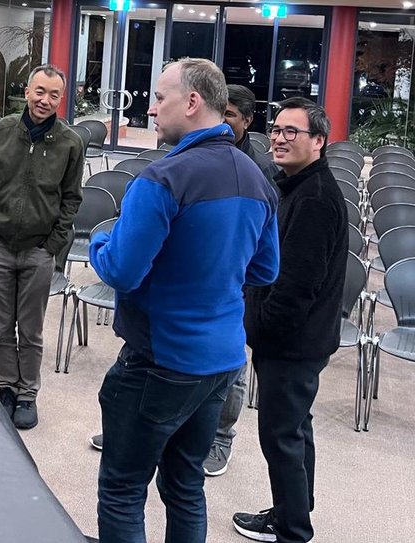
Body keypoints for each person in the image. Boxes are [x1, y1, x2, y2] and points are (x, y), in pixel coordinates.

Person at [90, 58, 280, 543]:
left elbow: (122, 272)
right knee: (185, 485)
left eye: (160, 98)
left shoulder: (162, 178)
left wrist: (99, 242)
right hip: (222, 361)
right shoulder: (257, 178)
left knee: (122, 489)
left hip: (160, 361)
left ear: (192, 102)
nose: (152, 110)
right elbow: (264, 270)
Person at [233, 98, 347, 543]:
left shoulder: (314, 198)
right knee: (296, 429)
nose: (279, 138)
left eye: (291, 132)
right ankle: (292, 510)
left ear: (318, 141)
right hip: (297, 340)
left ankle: (292, 530)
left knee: (280, 436)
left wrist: (260, 331)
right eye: (277, 130)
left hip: (293, 343)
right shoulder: (296, 185)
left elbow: (297, 286)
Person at [0, 64, 84, 430]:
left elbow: (71, 198)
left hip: (38, 249)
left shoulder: (70, 142)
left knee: (31, 329)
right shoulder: (1, 131)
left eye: (54, 95)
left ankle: (27, 394)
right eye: (40, 91)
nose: (45, 100)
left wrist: (53, 244)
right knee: (2, 325)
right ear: (27, 91)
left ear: (61, 99)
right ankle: (7, 388)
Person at [203, 83, 279, 476]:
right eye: (219, 112)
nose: (223, 120)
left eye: (230, 115)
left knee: (231, 367)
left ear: (247, 121)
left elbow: (266, 243)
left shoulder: (260, 170)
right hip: (199, 276)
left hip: (239, 283)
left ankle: (221, 437)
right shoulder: (197, 154)